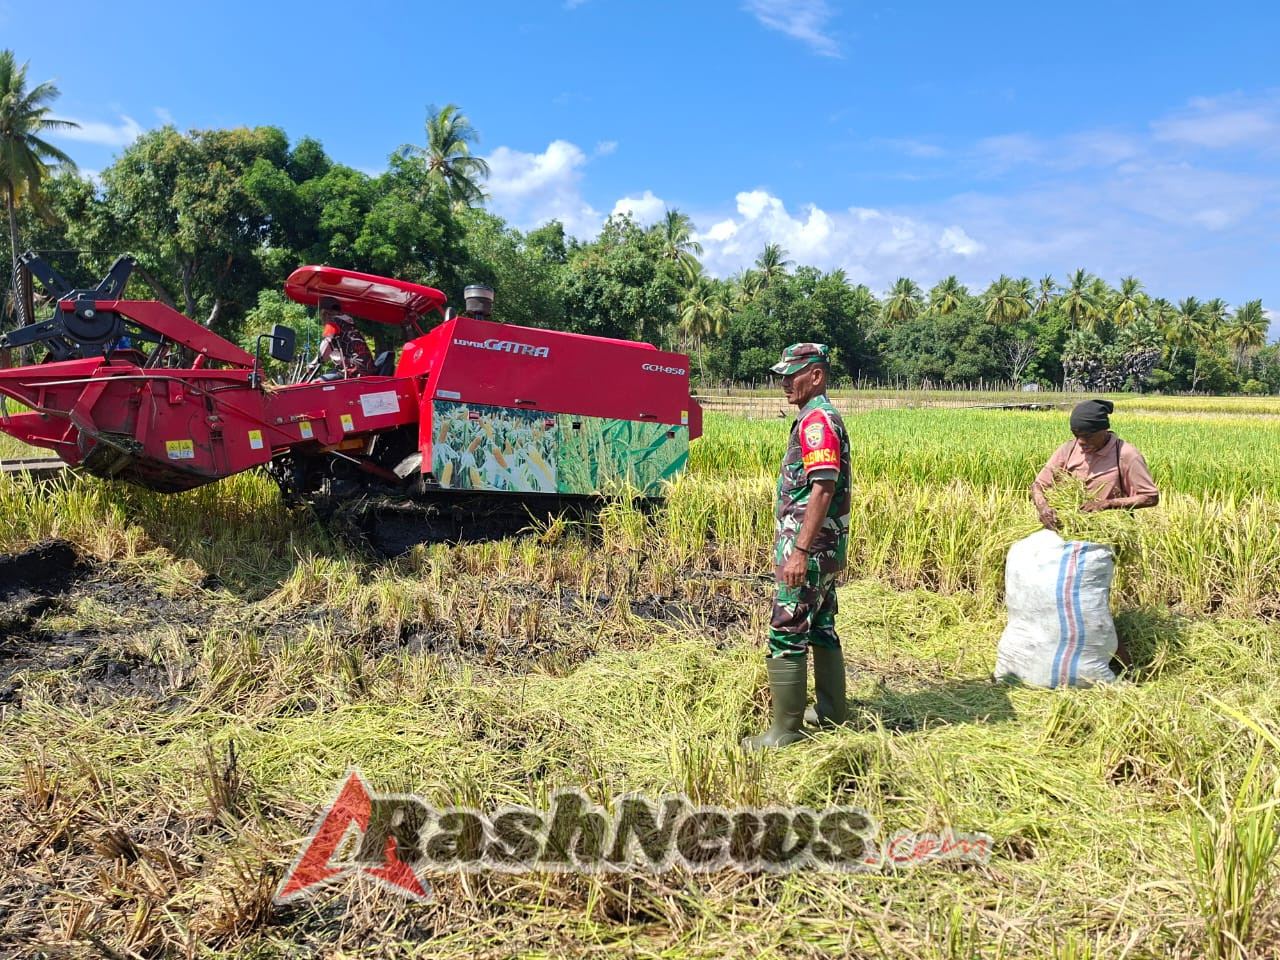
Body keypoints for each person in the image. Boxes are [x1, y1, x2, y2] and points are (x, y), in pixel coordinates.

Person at [743, 343, 853, 751]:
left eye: (792, 374)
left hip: (810, 551)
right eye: (782, 375)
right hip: (826, 549)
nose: (785, 382)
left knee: (787, 629)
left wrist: (800, 551)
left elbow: (822, 487)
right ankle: (831, 713)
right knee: (822, 627)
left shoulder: (816, 422)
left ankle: (785, 731)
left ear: (817, 376)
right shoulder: (821, 418)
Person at [1030, 399, 1159, 531]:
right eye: (1076, 435)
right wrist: (1043, 508)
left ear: (1104, 430)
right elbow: (1038, 485)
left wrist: (1107, 504)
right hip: (1068, 527)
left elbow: (1150, 497)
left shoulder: (1125, 454)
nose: (1080, 441)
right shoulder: (1068, 449)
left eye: (1087, 436)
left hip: (1109, 530)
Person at [314, 295, 373, 380]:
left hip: (355, 371)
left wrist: (314, 364)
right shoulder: (349, 324)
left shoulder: (333, 323)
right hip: (367, 370)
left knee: (317, 383)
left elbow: (327, 345)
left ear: (324, 312)